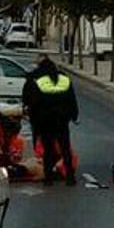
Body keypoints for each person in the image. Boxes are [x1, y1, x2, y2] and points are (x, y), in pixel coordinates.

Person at [26, 58, 78, 186]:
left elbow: (31, 102)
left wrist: (34, 122)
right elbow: (72, 99)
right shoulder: (64, 79)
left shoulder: (37, 80)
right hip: (62, 120)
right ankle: (70, 177)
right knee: (65, 148)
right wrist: (73, 115)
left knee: (48, 149)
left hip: (45, 121)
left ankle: (48, 177)